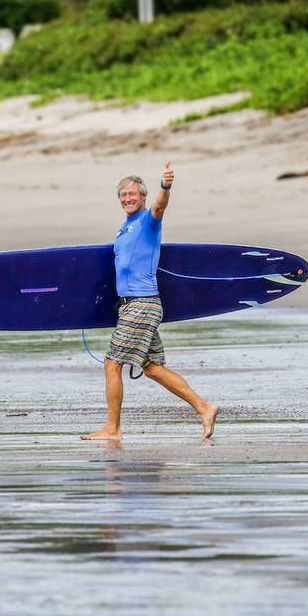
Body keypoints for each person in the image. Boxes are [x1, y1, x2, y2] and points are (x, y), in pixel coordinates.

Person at [81, 162, 219, 441]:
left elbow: (160, 207)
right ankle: (204, 408)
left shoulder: (148, 220)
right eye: (123, 195)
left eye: (132, 194)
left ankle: (113, 429)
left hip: (142, 303)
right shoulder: (125, 228)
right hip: (133, 305)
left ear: (142, 197)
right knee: (152, 368)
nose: (127, 198)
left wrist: (165, 187)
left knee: (112, 363)